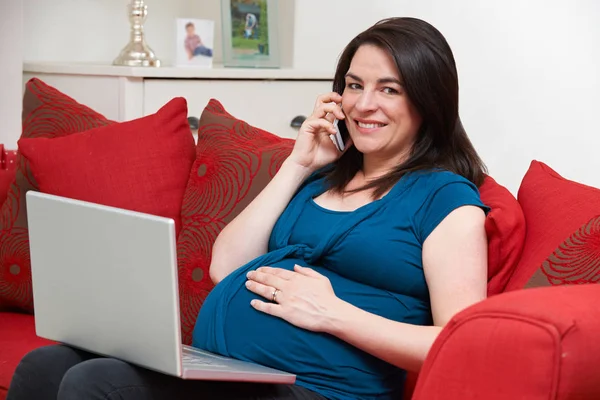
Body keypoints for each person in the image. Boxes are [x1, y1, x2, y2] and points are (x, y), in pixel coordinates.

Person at [7, 17, 490, 400]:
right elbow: (226, 266)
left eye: (390, 88)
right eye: (354, 85)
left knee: (97, 385)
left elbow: (463, 345)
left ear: (428, 101)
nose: (364, 104)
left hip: (324, 390)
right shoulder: (322, 178)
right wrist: (299, 163)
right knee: (45, 365)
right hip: (243, 373)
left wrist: (332, 313)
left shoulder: (445, 200)